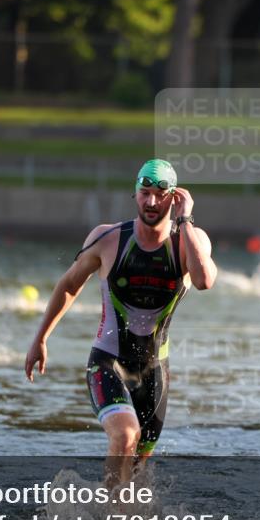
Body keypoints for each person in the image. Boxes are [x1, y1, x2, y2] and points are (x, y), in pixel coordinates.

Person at [25, 159, 216, 486]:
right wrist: (41, 337)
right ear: (135, 194)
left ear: (175, 197)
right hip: (107, 362)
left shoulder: (190, 240)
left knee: (140, 465)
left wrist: (185, 220)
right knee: (125, 435)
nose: (151, 202)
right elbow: (70, 284)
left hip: (155, 372)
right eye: (145, 193)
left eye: (160, 194)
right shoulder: (108, 238)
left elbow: (203, 281)